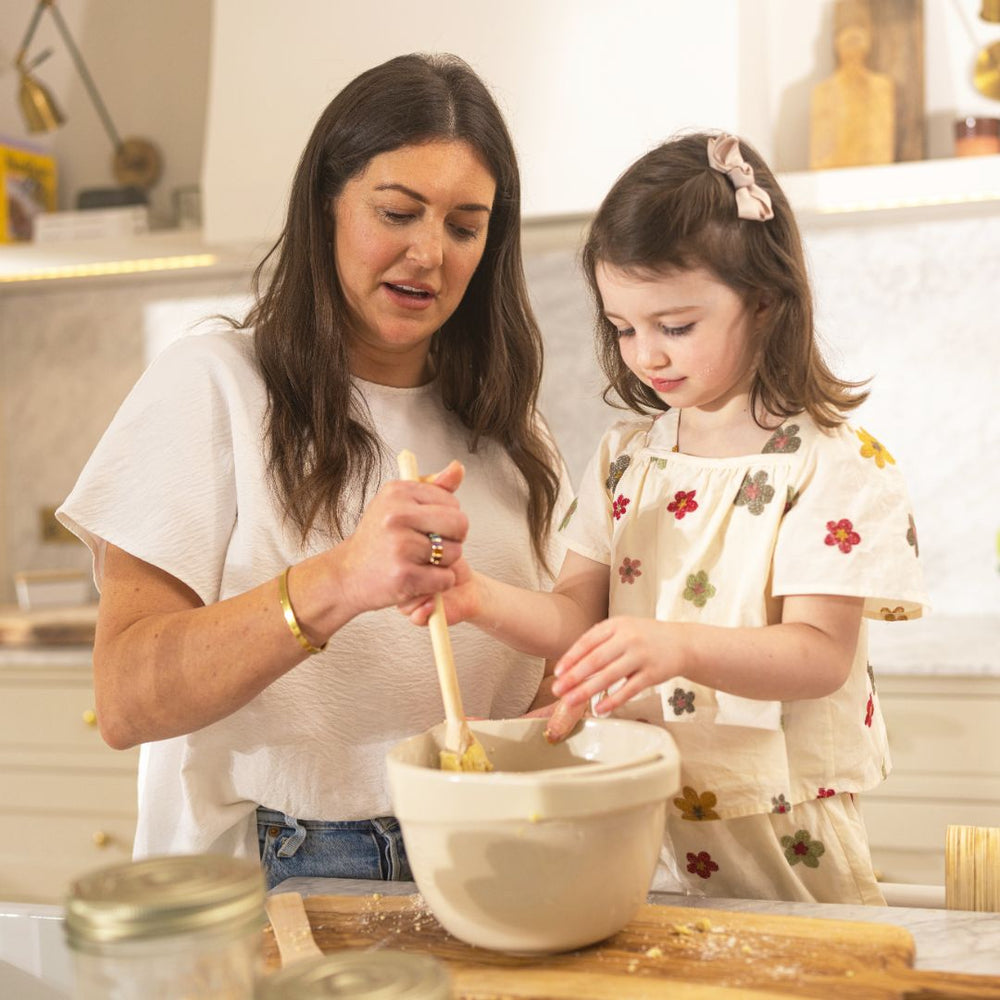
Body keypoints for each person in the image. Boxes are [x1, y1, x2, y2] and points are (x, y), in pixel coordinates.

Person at [56, 52, 569, 888]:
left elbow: (548, 671)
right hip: (284, 869)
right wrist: (342, 579)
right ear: (324, 205)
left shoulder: (514, 432)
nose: (429, 253)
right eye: (398, 212)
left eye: (465, 226)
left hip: (487, 850)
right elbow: (125, 700)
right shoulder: (214, 386)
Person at [405, 131, 927, 904]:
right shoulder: (626, 458)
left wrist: (674, 644)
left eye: (674, 326)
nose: (646, 355)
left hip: (786, 824)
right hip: (643, 812)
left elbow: (819, 655)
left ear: (764, 299)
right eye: (623, 328)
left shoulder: (832, 465)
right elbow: (574, 621)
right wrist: (476, 600)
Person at [810, 0, 896, 169]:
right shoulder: (822, 92)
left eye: (860, 29)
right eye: (845, 31)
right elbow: (821, 155)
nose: (853, 36)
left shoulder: (882, 87)